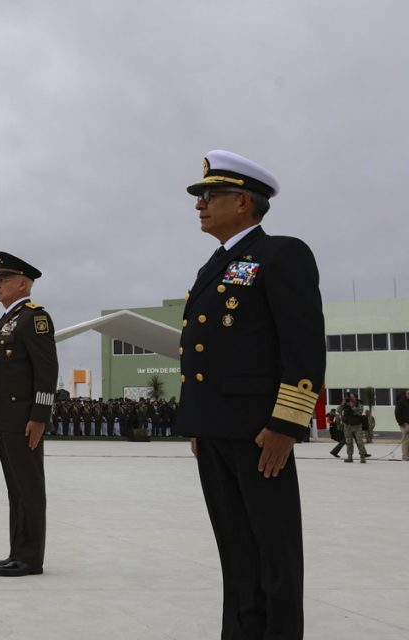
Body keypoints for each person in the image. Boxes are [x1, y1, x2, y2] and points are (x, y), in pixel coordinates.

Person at [176, 150, 324, 640]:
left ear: (243, 202)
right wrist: (198, 423)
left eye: (209, 195)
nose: (199, 204)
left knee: (275, 555)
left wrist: (286, 425)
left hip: (262, 436)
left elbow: (302, 349)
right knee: (236, 551)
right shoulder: (213, 267)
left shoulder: (281, 254)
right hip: (215, 432)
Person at [0, 252, 57, 578]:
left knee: (28, 487)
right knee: (16, 488)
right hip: (4, 418)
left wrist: (39, 416)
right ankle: (17, 551)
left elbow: (47, 370)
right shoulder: (10, 318)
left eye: (4, 280)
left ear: (23, 283)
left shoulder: (35, 318)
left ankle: (31, 558)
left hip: (23, 419)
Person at [340, 393, 368, 463]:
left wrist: (352, 406)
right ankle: (350, 457)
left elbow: (360, 412)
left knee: (359, 442)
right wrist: (342, 404)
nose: (351, 399)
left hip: (357, 426)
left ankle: (362, 457)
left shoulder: (359, 403)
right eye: (350, 397)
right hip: (347, 426)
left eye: (352, 397)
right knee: (349, 442)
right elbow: (338, 410)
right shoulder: (346, 403)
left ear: (356, 398)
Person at [396, 389, 409, 461]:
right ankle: (405, 456)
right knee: (405, 441)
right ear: (405, 394)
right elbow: (397, 413)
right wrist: (401, 423)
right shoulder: (401, 402)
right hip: (405, 425)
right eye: (408, 393)